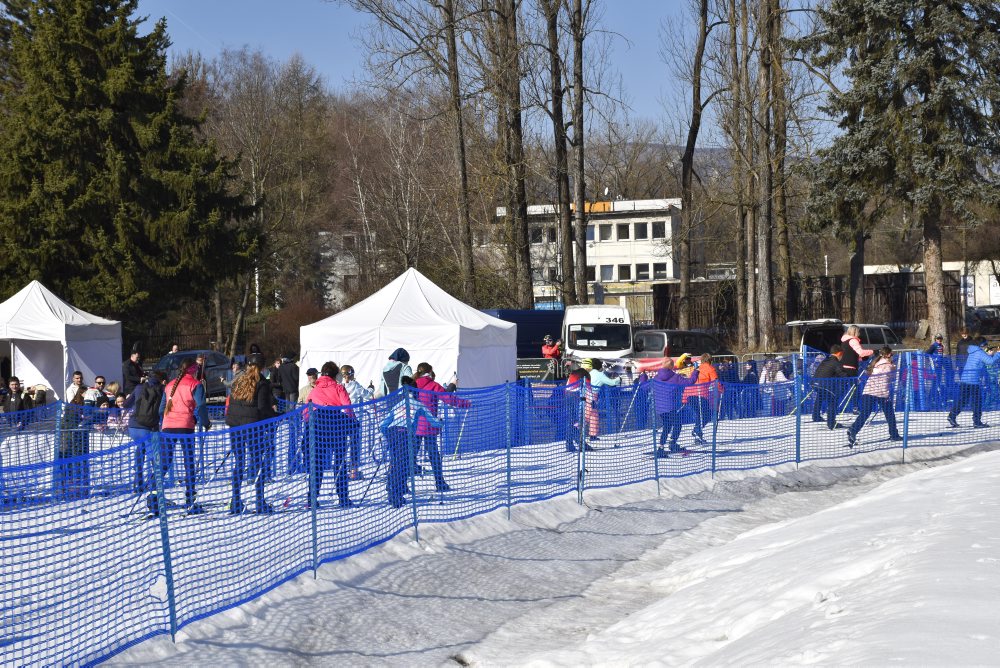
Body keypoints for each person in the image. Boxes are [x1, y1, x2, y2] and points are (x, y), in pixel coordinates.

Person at [379, 376, 443, 508]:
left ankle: (395, 488)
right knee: (403, 465)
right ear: (416, 392)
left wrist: (388, 436)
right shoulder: (419, 405)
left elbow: (383, 424)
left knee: (398, 462)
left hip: (393, 434)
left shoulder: (399, 404)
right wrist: (441, 422)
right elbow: (433, 422)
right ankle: (395, 494)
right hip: (405, 435)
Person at [225, 354, 277, 515]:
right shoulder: (262, 382)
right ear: (262, 367)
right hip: (253, 427)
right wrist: (276, 416)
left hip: (235, 426)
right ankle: (259, 501)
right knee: (257, 463)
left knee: (239, 463)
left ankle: (236, 500)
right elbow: (263, 408)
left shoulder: (239, 380)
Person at [158, 358, 210, 515]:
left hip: (168, 426)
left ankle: (154, 496)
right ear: (193, 370)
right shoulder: (195, 384)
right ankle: (190, 499)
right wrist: (205, 422)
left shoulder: (169, 384)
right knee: (189, 462)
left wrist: (167, 419)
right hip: (185, 426)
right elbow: (201, 406)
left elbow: (161, 409)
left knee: (165, 462)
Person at [306, 361, 357, 508]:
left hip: (317, 429)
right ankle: (343, 497)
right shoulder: (338, 387)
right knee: (340, 463)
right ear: (335, 375)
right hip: (336, 427)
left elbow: (305, 412)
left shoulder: (314, 390)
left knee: (317, 464)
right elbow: (348, 408)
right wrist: (353, 422)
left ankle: (312, 499)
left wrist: (308, 424)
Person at [413, 362, 466, 493]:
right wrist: (466, 403)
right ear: (430, 372)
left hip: (413, 425)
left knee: (409, 455)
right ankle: (439, 483)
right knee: (433, 455)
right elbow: (448, 399)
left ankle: (399, 484)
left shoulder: (412, 385)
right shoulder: (433, 385)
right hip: (429, 426)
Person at [848, 347, 901, 447]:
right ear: (888, 355)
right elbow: (891, 377)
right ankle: (894, 435)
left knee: (865, 413)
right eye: (892, 354)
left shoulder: (875, 363)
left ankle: (853, 430)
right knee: (890, 415)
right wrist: (893, 365)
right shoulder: (887, 366)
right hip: (881, 393)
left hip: (868, 391)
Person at [126, 371, 166, 505]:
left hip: (133, 426)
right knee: (154, 458)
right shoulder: (161, 390)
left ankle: (138, 483)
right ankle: (154, 487)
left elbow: (126, 404)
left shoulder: (138, 388)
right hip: (148, 427)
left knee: (139, 451)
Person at [652, 357, 700, 457]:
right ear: (671, 366)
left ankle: (663, 446)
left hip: (660, 408)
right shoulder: (675, 377)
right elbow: (689, 382)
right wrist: (695, 371)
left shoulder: (656, 378)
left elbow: (644, 387)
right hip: (671, 407)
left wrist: (643, 377)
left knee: (668, 425)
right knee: (676, 424)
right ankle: (669, 444)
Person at [947, 339, 1000, 428]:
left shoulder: (973, 351)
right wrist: (998, 353)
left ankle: (952, 415)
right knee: (977, 402)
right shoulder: (980, 352)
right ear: (982, 345)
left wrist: (989, 355)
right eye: (986, 346)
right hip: (973, 381)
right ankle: (977, 421)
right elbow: (990, 361)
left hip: (965, 379)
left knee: (963, 400)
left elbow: (982, 360)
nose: (986, 348)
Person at [54, 390, 90, 499]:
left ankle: (75, 488)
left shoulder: (85, 404)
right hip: (67, 441)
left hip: (75, 441)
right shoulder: (73, 406)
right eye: (85, 393)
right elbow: (69, 424)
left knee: (76, 464)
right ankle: (66, 489)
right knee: (68, 464)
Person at [340, 364, 373, 479]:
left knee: (342, 445)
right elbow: (368, 395)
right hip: (355, 419)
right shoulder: (356, 385)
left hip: (342, 418)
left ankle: (342, 470)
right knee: (355, 444)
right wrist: (371, 388)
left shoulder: (340, 386)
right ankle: (354, 471)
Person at [811, 345, 853, 429]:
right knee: (832, 401)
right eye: (842, 355)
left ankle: (816, 416)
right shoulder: (836, 362)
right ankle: (831, 423)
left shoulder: (825, 360)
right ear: (839, 353)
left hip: (815, 383)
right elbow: (841, 373)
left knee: (820, 396)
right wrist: (851, 378)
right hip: (825, 385)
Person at [684, 354, 720, 445]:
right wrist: (721, 388)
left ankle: (698, 434)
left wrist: (684, 398)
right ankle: (697, 430)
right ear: (710, 360)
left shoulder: (696, 369)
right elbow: (716, 382)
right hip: (700, 395)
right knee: (706, 415)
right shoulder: (710, 368)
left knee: (700, 414)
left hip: (690, 395)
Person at [587, 358, 620, 439]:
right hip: (592, 397)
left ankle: (593, 435)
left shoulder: (590, 373)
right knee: (587, 416)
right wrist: (618, 379)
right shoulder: (600, 375)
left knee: (593, 415)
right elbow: (611, 383)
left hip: (586, 395)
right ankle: (575, 431)